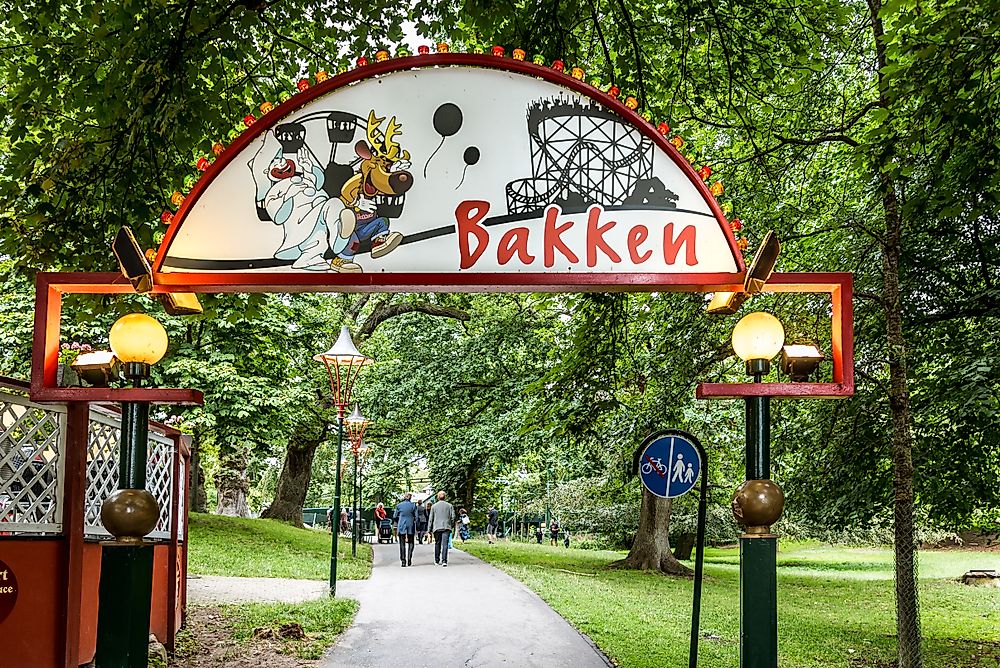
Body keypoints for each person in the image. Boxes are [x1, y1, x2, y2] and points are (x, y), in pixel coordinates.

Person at [428, 490, 455, 566]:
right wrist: (450, 525)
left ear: (437, 497)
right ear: (445, 497)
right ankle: (444, 561)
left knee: (437, 543)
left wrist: (429, 530)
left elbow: (431, 519)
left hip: (437, 527)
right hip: (446, 527)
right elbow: (453, 517)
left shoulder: (434, 506)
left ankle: (436, 560)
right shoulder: (450, 506)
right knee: (445, 544)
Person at [393, 492, 418, 567]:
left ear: (404, 497)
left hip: (401, 525)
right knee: (411, 542)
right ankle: (409, 559)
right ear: (410, 498)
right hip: (410, 525)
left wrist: (399, 521)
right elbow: (416, 517)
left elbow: (394, 516)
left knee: (402, 543)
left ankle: (403, 561)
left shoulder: (399, 505)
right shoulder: (413, 505)